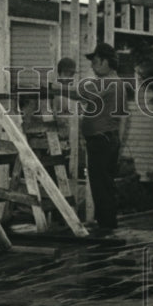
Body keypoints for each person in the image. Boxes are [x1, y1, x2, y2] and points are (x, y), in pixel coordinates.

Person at [52, 42, 124, 230]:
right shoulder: (113, 82)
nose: (92, 65)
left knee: (101, 185)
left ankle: (107, 227)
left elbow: (79, 94)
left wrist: (54, 88)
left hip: (102, 140)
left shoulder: (109, 83)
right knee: (102, 184)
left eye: (96, 61)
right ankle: (107, 224)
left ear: (106, 62)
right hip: (106, 139)